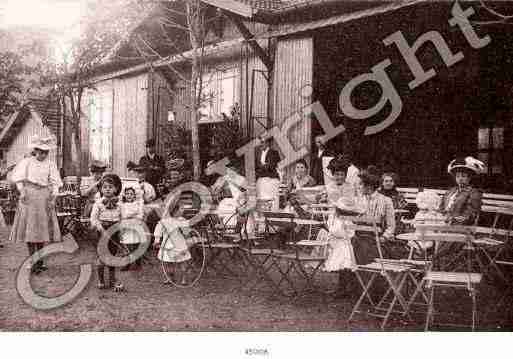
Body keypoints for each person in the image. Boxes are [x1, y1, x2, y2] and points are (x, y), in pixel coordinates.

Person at [9, 135, 62, 274]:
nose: (43, 154)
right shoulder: (27, 162)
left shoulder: (50, 164)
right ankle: (32, 260)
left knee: (42, 231)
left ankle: (40, 260)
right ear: (35, 150)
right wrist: (22, 191)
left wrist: (53, 197)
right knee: (30, 230)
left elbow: (55, 182)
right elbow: (18, 179)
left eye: (46, 152)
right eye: (40, 151)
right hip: (29, 196)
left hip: (44, 197)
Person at [90, 173, 124, 291]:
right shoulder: (98, 203)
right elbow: (93, 219)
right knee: (102, 256)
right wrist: (100, 228)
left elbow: (121, 218)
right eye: (105, 187)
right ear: (101, 189)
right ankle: (100, 279)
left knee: (112, 256)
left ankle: (112, 279)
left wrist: (121, 230)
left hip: (114, 232)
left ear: (116, 189)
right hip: (102, 232)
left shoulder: (119, 204)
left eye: (110, 187)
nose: (108, 189)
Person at [153, 196, 192, 285]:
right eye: (181, 208)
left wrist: (185, 229)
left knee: (183, 261)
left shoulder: (182, 220)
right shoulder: (165, 221)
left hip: (179, 243)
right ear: (174, 210)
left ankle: (184, 278)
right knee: (168, 262)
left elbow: (187, 233)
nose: (183, 210)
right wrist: (157, 240)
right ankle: (170, 277)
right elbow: (158, 230)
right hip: (167, 245)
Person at [440, 156, 483, 225]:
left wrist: (458, 219)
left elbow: (471, 213)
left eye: (463, 176)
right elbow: (441, 207)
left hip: (460, 226)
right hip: (444, 222)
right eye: (458, 176)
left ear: (469, 178)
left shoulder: (473, 193)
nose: (460, 179)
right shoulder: (451, 191)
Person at [120, 187, 145, 271]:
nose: (129, 195)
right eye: (127, 194)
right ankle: (127, 263)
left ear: (134, 195)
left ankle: (138, 263)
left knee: (136, 245)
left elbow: (140, 215)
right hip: (126, 227)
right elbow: (123, 215)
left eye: (131, 194)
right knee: (127, 246)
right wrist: (132, 214)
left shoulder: (137, 204)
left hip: (136, 226)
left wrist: (130, 215)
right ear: (124, 195)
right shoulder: (122, 205)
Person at [255, 133, 281, 211]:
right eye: (260, 142)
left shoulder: (274, 153)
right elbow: (255, 167)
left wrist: (262, 168)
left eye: (262, 142)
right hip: (261, 182)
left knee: (272, 202)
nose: (261, 144)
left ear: (268, 143)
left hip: (271, 181)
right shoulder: (257, 153)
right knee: (261, 201)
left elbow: (271, 167)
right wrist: (263, 167)